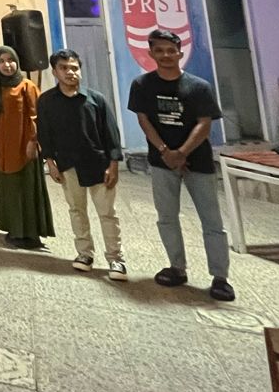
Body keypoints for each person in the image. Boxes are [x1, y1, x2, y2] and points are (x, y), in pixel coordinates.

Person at [130, 29, 234, 301]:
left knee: (212, 221)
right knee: (166, 216)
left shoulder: (198, 87)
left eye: (170, 50)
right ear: (151, 53)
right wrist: (165, 151)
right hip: (161, 161)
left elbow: (204, 123)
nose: (165, 55)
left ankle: (220, 277)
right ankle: (177, 267)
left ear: (179, 52)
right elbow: (144, 120)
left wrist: (182, 152)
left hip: (197, 161)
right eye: (159, 50)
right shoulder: (142, 85)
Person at [38, 49, 126, 280]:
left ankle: (116, 259)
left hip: (99, 165)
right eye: (64, 68)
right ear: (55, 72)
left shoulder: (96, 100)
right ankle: (85, 254)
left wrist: (113, 164)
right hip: (67, 165)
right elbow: (44, 134)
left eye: (74, 68)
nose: (70, 72)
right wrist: (50, 163)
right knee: (77, 211)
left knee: (107, 213)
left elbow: (111, 134)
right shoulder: (46, 101)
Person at [0, 45, 54, 250]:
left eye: (10, 60)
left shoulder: (27, 86)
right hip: (2, 149)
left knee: (25, 189)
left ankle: (30, 234)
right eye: (1, 61)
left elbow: (38, 117)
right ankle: (14, 230)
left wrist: (33, 142)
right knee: (9, 189)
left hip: (23, 147)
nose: (7, 65)